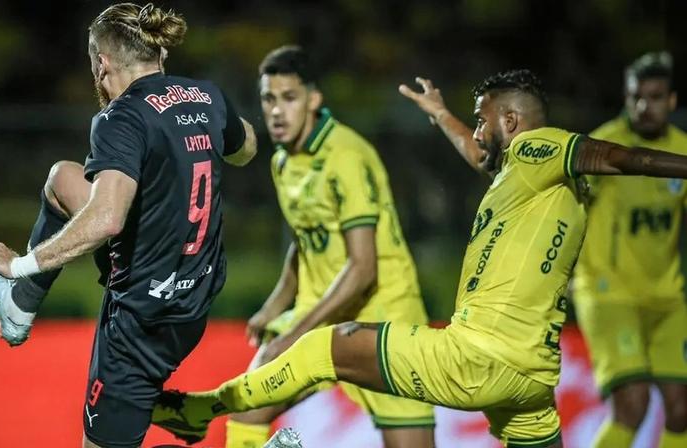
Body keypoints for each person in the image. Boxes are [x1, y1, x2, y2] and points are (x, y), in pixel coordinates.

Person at [150, 68, 687, 448]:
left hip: (477, 354)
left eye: (482, 119)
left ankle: (204, 409)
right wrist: (443, 116)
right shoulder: (533, 181)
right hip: (532, 378)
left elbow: (622, 156)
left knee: (320, 348)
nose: (476, 131)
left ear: (512, 120)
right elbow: (482, 157)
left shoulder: (540, 146)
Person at [0, 3, 257, 447]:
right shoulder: (207, 96)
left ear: (101, 63)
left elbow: (106, 220)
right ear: (158, 55)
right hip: (194, 292)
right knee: (64, 178)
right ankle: (18, 308)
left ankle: (17, 289)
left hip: (143, 320)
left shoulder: (122, 116)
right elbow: (246, 147)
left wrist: (19, 264)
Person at [222, 45, 435, 448]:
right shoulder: (282, 161)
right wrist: (273, 306)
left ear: (313, 99)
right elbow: (306, 241)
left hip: (382, 321)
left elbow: (362, 268)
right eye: (269, 99)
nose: (277, 111)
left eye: (289, 98)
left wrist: (295, 335)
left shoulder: (347, 157)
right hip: (319, 315)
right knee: (247, 404)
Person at [572, 52, 687, 448]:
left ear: (672, 101)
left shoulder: (681, 154)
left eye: (655, 97)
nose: (644, 106)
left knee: (681, 408)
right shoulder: (603, 149)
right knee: (633, 404)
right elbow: (570, 211)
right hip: (609, 293)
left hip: (667, 297)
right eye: (636, 96)